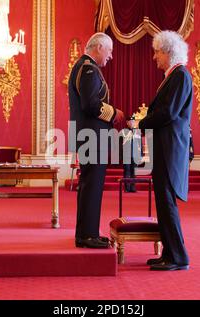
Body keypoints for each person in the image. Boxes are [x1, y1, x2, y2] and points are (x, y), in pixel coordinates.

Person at [131, 30, 191, 271]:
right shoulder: (174, 76)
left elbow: (168, 113)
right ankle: (169, 252)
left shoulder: (179, 76)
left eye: (157, 52)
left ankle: (178, 257)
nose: (154, 57)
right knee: (163, 203)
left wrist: (141, 123)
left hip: (170, 149)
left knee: (166, 203)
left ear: (168, 52)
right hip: (165, 148)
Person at [68, 32, 125, 249]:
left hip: (88, 136)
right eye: (109, 51)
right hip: (91, 137)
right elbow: (90, 105)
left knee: (90, 184)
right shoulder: (89, 68)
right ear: (99, 47)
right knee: (92, 185)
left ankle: (87, 232)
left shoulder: (84, 66)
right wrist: (114, 113)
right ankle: (86, 236)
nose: (110, 56)